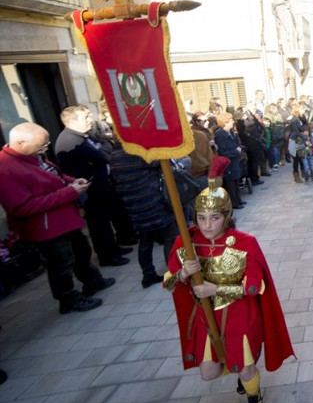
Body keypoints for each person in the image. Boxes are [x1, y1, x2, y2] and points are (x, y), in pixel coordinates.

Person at [164, 165, 294, 403]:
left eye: (214, 217)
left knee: (245, 367)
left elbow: (255, 286)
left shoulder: (245, 243)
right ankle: (241, 374)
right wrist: (183, 273)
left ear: (226, 216)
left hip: (239, 315)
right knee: (209, 372)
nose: (207, 224)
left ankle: (254, 402)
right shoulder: (186, 242)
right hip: (204, 318)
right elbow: (168, 283)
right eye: (201, 217)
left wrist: (216, 287)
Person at [0, 122, 114, 313]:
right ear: (20, 143)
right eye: (41, 146)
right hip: (47, 226)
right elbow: (22, 207)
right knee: (61, 263)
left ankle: (92, 282)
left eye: (46, 145)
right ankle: (68, 300)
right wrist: (69, 192)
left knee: (81, 250)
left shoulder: (32, 155)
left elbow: (55, 176)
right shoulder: (5, 169)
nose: (45, 149)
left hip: (64, 217)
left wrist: (72, 182)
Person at [55, 105, 130, 267]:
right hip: (91, 192)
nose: (91, 120)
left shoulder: (81, 136)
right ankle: (107, 256)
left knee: (105, 221)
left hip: (100, 187)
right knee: (99, 225)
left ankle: (114, 249)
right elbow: (101, 157)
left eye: (90, 115)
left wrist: (101, 152)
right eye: (86, 117)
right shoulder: (71, 140)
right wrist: (107, 145)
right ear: (72, 121)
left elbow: (99, 155)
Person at [109, 142, 179, 288]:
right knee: (171, 238)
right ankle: (174, 272)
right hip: (153, 203)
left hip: (134, 206)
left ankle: (148, 275)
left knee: (145, 242)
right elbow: (159, 161)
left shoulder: (114, 154)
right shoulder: (138, 151)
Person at [213, 113, 245, 209]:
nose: (232, 122)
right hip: (227, 163)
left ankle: (238, 200)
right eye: (230, 120)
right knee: (230, 183)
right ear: (225, 122)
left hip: (234, 161)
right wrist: (236, 151)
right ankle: (234, 203)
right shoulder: (219, 135)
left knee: (236, 180)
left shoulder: (231, 132)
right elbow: (222, 152)